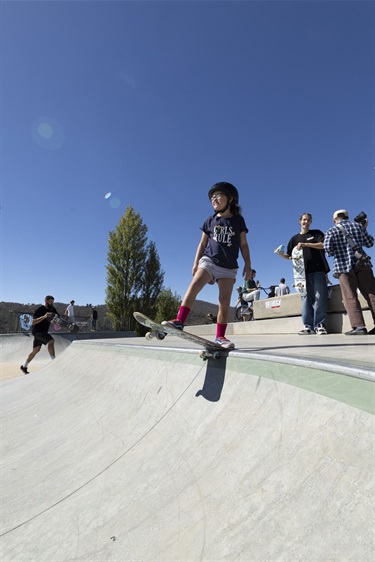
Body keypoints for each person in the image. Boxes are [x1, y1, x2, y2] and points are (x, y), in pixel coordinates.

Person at [163, 182, 252, 349]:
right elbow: (202, 244)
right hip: (209, 260)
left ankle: (220, 336)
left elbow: (244, 245)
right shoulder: (209, 221)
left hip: (229, 266)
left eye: (218, 196)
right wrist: (196, 262)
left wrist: (248, 265)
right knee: (195, 284)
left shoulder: (238, 220)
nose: (214, 199)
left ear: (230, 199)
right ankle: (179, 320)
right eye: (212, 197)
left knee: (224, 302)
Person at [275, 212, 330, 335]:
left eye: (308, 220)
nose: (306, 222)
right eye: (304, 220)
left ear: (310, 222)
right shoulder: (294, 239)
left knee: (320, 297)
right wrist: (280, 254)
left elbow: (323, 245)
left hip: (318, 270)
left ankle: (319, 324)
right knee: (305, 299)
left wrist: (306, 244)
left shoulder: (316, 233)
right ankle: (308, 326)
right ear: (299, 221)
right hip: (301, 275)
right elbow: (290, 256)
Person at [324, 209, 375, 335]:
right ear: (347, 217)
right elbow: (370, 243)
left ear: (334, 220)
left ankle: (359, 327)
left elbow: (328, 250)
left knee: (350, 297)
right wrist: (363, 228)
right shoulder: (358, 226)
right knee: (372, 295)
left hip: (343, 266)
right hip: (363, 263)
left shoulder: (331, 230)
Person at [20, 295, 59, 374]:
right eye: (50, 302)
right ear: (46, 301)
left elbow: (57, 318)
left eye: (53, 302)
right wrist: (44, 316)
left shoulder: (52, 309)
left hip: (43, 331)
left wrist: (57, 321)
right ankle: (54, 361)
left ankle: (24, 366)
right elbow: (33, 322)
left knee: (36, 350)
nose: (52, 303)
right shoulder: (40, 309)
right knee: (51, 341)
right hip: (37, 331)